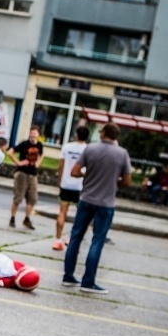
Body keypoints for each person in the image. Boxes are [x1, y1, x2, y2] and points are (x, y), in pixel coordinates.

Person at [63, 122, 131, 294]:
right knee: (97, 240)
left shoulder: (90, 149)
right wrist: (114, 179)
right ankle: (88, 281)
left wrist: (88, 173)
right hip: (106, 203)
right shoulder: (122, 154)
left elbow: (74, 172)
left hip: (86, 200)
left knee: (76, 236)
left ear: (104, 134)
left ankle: (68, 276)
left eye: (101, 131)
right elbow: (127, 182)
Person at [53, 126, 89, 250]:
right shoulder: (87, 149)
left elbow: (61, 166)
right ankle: (71, 238)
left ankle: (57, 240)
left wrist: (60, 181)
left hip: (66, 184)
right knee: (79, 215)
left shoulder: (67, 147)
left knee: (62, 212)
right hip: (80, 185)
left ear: (76, 134)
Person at [7, 126, 44, 230]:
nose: (32, 135)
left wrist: (38, 163)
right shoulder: (24, 144)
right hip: (22, 174)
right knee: (18, 198)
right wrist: (18, 162)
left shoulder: (40, 145)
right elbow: (10, 152)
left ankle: (27, 219)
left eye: (34, 133)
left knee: (33, 198)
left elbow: (42, 155)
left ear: (38, 135)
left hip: (33, 174)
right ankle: (12, 218)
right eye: (31, 133)